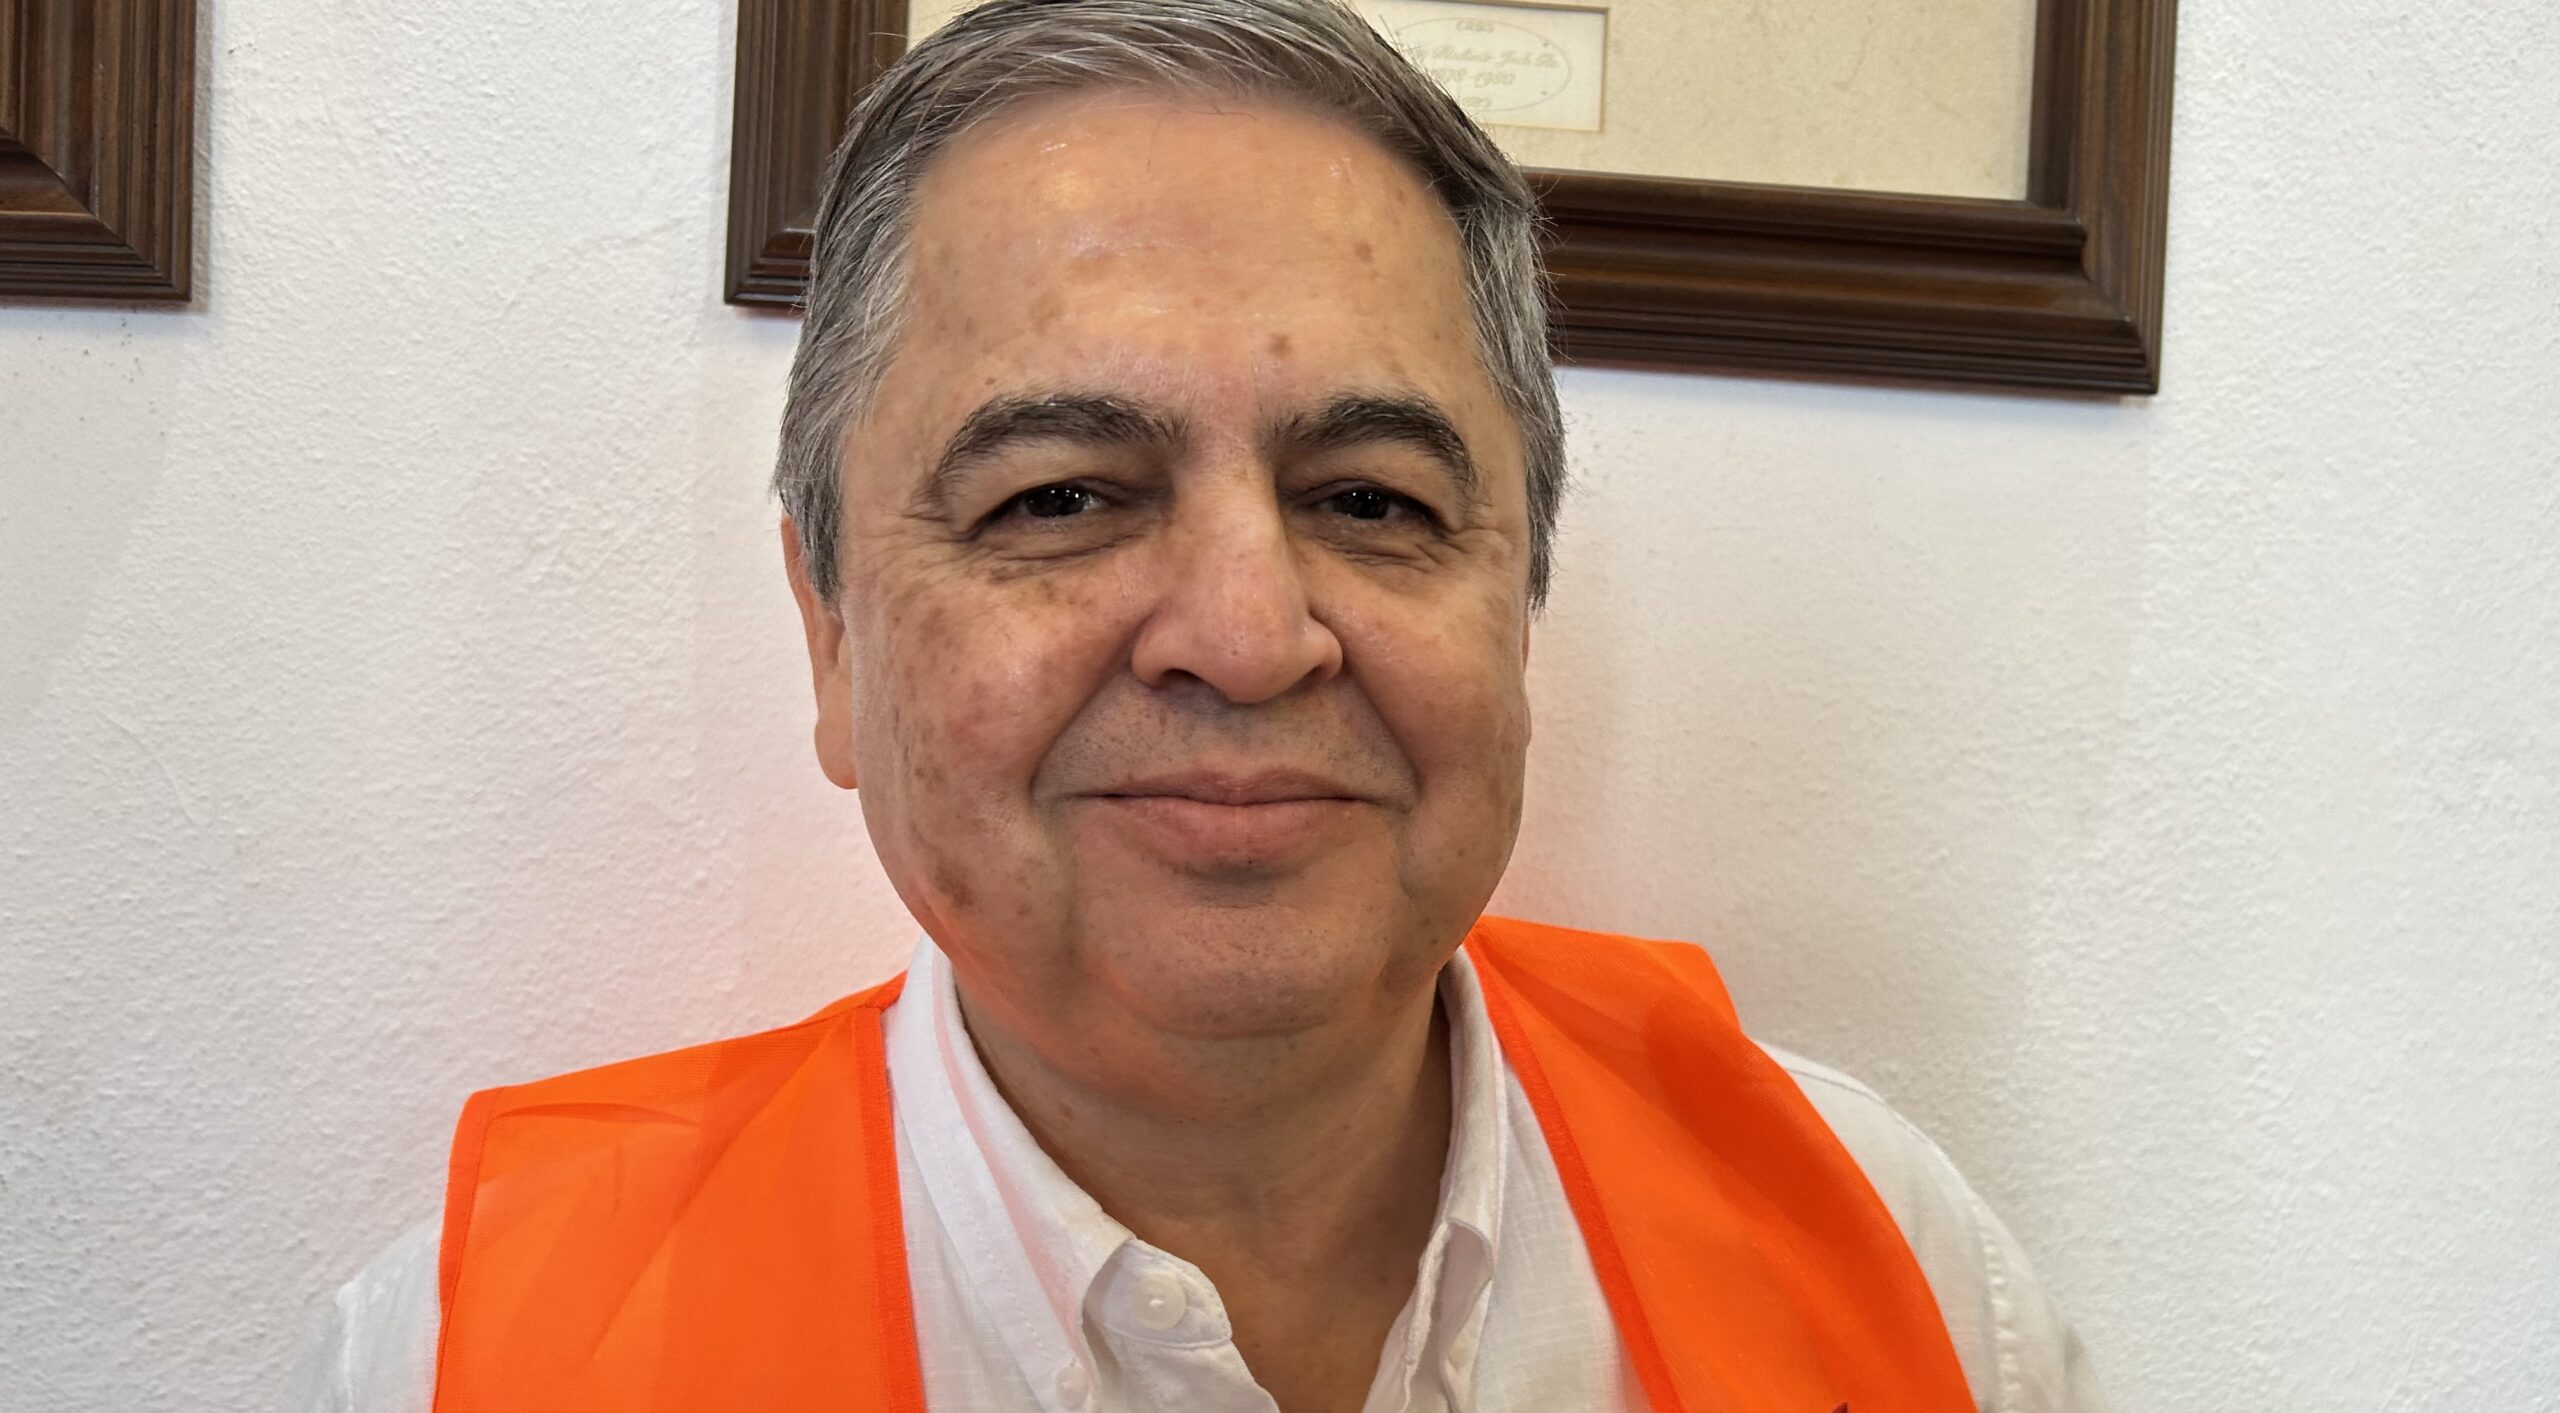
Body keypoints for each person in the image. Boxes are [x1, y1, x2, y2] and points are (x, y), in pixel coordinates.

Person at [286, 2, 2106, 1409]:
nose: (1247, 635)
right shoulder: (461, 1361)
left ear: (1517, 617)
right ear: (833, 639)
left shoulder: (1898, 1264)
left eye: (1373, 499)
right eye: (1062, 496)